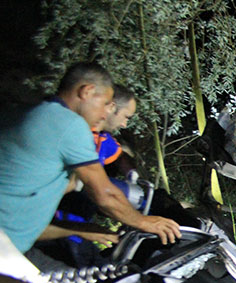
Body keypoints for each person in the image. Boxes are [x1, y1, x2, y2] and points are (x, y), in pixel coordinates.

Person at [0, 62, 181, 257]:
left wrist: (79, 229)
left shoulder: (37, 114)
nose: (105, 114)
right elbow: (104, 194)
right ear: (87, 91)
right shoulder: (69, 124)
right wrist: (144, 221)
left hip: (14, 247)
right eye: (105, 104)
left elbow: (28, 225)